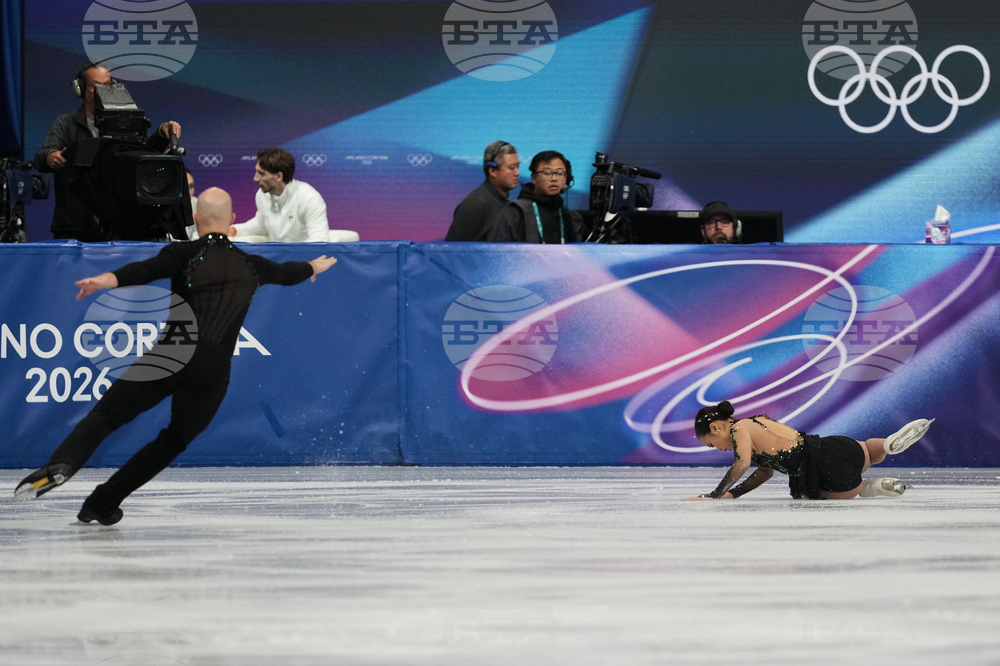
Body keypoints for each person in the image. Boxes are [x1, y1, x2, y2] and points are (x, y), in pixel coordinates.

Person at [13, 187, 338, 525]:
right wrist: (312, 266)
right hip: (212, 369)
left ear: (196, 220)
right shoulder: (253, 265)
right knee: (175, 438)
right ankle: (103, 501)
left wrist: (107, 279)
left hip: (171, 353)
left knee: (107, 414)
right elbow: (287, 273)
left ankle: (61, 463)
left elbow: (146, 270)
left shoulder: (184, 253)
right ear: (232, 222)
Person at [33, 62, 182, 241]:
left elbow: (141, 156)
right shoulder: (66, 123)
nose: (102, 91)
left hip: (119, 223)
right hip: (76, 225)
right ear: (80, 89)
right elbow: (41, 158)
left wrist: (161, 133)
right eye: (95, 86)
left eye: (107, 85)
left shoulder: (127, 122)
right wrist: (51, 156)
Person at [685, 401, 934, 501]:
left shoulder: (739, 429)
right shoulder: (756, 421)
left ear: (715, 428)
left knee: (835, 492)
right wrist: (733, 495)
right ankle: (888, 444)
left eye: (710, 443)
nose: (716, 450)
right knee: (869, 451)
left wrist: (715, 495)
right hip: (836, 446)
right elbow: (764, 473)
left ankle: (869, 487)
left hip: (824, 472)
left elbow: (741, 464)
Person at [228, 148, 329, 243]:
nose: (255, 178)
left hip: (305, 259)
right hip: (277, 259)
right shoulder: (262, 194)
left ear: (278, 176)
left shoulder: (309, 197)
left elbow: (319, 240)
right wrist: (233, 230)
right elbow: (261, 224)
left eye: (261, 173)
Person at [486, 150, 584, 243]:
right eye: (547, 173)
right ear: (534, 178)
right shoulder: (515, 212)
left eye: (559, 173)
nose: (554, 178)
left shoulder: (568, 215)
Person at [444, 141, 520, 241]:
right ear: (492, 171)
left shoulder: (504, 202)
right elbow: (451, 252)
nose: (517, 173)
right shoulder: (473, 206)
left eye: (517, 167)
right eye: (511, 168)